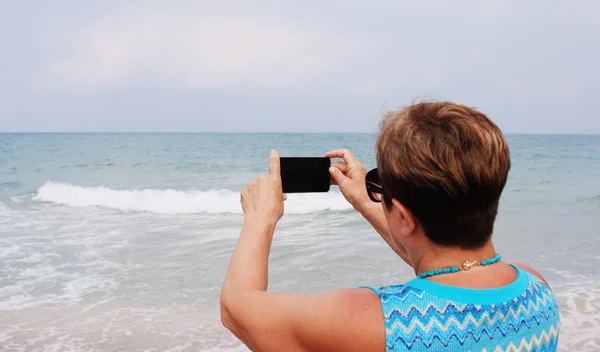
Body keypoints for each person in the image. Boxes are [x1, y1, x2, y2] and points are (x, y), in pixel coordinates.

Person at [220, 101, 560, 351]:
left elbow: (237, 309)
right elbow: (449, 265)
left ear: (403, 217)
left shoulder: (373, 323)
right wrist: (370, 201)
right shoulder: (537, 289)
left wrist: (260, 216)